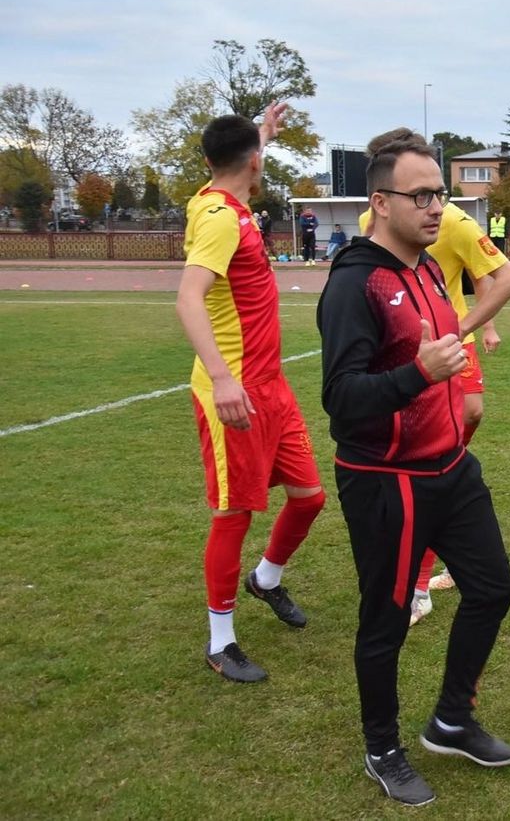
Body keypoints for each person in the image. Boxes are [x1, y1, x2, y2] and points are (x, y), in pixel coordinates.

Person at [318, 127, 510, 807]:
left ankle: (451, 719)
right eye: (422, 195)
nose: (437, 207)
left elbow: (443, 352)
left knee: (492, 586)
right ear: (380, 200)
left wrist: (452, 391)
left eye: (441, 193)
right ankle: (383, 747)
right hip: (386, 479)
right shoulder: (356, 283)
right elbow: (341, 400)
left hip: (451, 466)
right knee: (386, 618)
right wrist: (416, 374)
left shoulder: (429, 266)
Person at [174, 106, 326, 684]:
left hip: (271, 385)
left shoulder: (219, 197)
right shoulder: (218, 218)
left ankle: (264, 579)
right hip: (233, 390)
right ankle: (221, 642)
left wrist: (260, 131)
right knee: (234, 511)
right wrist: (221, 378)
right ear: (255, 163)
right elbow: (189, 299)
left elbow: (236, 157)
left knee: (309, 497)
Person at [359, 195, 510, 624]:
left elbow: (502, 277)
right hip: (404, 359)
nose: (430, 202)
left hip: (450, 348)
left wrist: (470, 327)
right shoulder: (370, 222)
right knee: (422, 466)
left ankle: (433, 558)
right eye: (417, 190)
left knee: (465, 425)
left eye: (432, 189)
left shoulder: (456, 222)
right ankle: (417, 580)